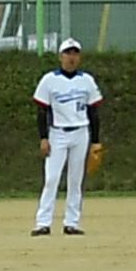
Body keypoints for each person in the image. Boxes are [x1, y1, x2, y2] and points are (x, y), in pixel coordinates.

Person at [31, 39, 102, 235]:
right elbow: (42, 111)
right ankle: (42, 223)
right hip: (57, 134)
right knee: (51, 178)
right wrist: (43, 137)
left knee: (76, 179)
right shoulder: (49, 80)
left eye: (75, 53)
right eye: (67, 53)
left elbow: (94, 112)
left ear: (79, 57)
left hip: (80, 132)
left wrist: (95, 141)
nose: (71, 57)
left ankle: (72, 222)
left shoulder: (86, 80)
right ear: (60, 56)